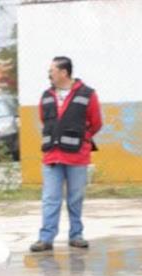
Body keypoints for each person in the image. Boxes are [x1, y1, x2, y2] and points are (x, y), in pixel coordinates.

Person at [30, 56, 102, 252]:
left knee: (75, 198)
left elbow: (96, 123)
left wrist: (83, 138)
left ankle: (76, 235)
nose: (49, 74)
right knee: (50, 198)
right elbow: (45, 120)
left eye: (52, 70)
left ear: (64, 72)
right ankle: (46, 239)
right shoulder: (46, 95)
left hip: (77, 156)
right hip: (52, 156)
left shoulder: (87, 94)